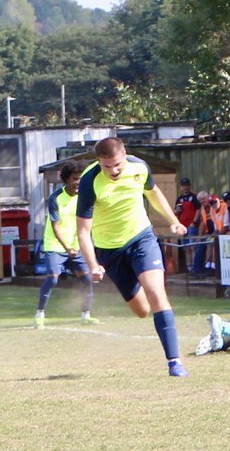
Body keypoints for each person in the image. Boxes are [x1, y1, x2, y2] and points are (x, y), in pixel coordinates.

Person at [75, 136, 189, 377]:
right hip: (110, 250)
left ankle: (174, 362)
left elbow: (154, 193)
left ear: (124, 154)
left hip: (141, 238)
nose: (114, 170)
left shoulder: (139, 167)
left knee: (157, 293)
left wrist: (173, 221)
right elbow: (83, 231)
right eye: (107, 166)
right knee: (142, 310)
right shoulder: (89, 181)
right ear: (99, 162)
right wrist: (93, 264)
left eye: (117, 164)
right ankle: (138, 286)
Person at [34, 162, 97, 329]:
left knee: (87, 279)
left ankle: (86, 315)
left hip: (77, 245)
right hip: (56, 245)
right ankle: (39, 314)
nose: (79, 182)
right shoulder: (56, 198)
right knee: (53, 279)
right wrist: (67, 247)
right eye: (75, 178)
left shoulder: (86, 197)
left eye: (81, 179)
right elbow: (55, 226)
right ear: (66, 180)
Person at [191, 190, 229, 273]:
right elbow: (202, 223)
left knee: (211, 243)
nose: (202, 201)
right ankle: (198, 269)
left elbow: (225, 225)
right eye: (200, 200)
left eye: (203, 198)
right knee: (200, 244)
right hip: (211, 232)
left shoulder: (219, 206)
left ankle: (212, 267)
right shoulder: (203, 209)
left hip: (223, 232)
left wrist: (215, 235)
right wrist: (199, 236)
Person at [174, 177, 200, 272]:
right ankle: (189, 267)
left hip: (191, 225)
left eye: (187, 185)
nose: (185, 187)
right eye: (183, 186)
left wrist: (194, 221)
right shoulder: (179, 199)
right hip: (182, 225)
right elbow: (175, 211)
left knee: (193, 246)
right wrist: (176, 210)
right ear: (181, 187)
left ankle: (195, 266)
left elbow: (198, 209)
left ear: (189, 186)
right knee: (185, 247)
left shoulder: (194, 197)